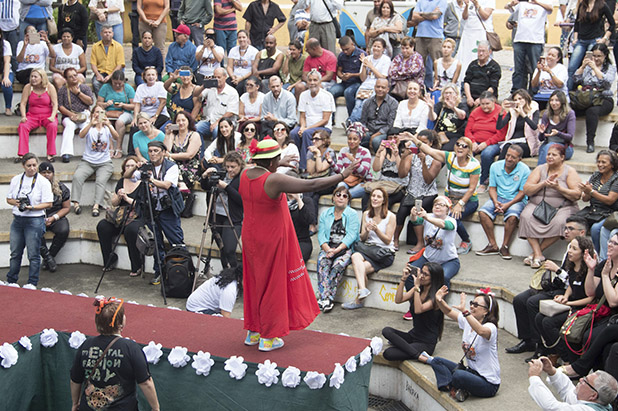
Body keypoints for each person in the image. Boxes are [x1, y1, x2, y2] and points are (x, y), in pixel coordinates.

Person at [239, 138, 357, 351]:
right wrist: (341, 175)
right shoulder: (274, 181)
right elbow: (311, 184)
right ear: (272, 162)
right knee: (272, 285)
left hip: (250, 236)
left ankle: (254, 332)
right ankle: (269, 337)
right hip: (270, 239)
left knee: (255, 282)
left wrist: (278, 162)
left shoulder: (244, 174)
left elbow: (259, 168)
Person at [506, 216, 588, 356]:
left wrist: (557, 270)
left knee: (532, 303)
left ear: (582, 233)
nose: (566, 231)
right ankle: (528, 340)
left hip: (570, 292)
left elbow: (576, 282)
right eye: (565, 228)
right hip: (560, 287)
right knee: (520, 299)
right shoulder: (569, 247)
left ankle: (542, 345)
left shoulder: (586, 252)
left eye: (571, 228)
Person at [70, 298, 160, 411]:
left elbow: (75, 379)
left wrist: (75, 402)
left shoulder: (86, 345)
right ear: (119, 324)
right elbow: (146, 383)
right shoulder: (131, 348)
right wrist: (155, 407)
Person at [424, 288, 501, 402]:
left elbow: (481, 331)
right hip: (471, 372)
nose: (472, 307)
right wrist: (439, 300)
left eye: (476, 305)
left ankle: (456, 386)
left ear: (486, 311)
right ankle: (453, 387)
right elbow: (449, 312)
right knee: (436, 361)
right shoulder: (467, 321)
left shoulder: (491, 327)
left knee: (458, 375)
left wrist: (465, 312)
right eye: (471, 303)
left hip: (488, 384)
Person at [409, 133, 479, 255]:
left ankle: (466, 240)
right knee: (434, 211)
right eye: (458, 144)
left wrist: (460, 204)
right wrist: (412, 138)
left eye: (464, 146)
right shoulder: (450, 156)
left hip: (468, 199)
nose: (460, 148)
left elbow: (471, 189)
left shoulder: (474, 164)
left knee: (452, 216)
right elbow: (429, 150)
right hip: (449, 197)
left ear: (469, 150)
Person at [533, 236, 596, 362]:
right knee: (539, 318)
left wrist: (570, 302)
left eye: (574, 249)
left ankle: (566, 358)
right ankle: (556, 352)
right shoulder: (572, 266)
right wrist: (565, 296)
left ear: (584, 252)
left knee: (549, 322)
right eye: (570, 248)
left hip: (583, 309)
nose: (570, 251)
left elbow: (591, 298)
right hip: (571, 305)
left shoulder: (589, 270)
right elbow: (572, 285)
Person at [519, 144, 581, 268]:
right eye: (548, 154)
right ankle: (538, 254)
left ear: (562, 157)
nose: (550, 157)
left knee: (561, 222)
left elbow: (577, 195)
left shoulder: (569, 171)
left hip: (563, 207)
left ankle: (535, 254)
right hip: (538, 204)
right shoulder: (540, 169)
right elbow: (527, 189)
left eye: (554, 154)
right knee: (525, 216)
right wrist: (543, 184)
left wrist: (559, 188)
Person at [343, 187, 396, 310]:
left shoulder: (391, 216)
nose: (375, 199)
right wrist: (366, 230)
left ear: (384, 201)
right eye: (373, 196)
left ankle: (358, 300)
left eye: (378, 197)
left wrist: (376, 229)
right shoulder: (366, 214)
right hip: (369, 250)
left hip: (384, 253)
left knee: (360, 269)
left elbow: (388, 240)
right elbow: (362, 238)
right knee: (355, 256)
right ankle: (362, 290)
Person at [140, 140, 185, 285]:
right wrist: (136, 166)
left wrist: (150, 179)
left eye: (156, 151)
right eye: (150, 151)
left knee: (176, 241)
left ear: (163, 152)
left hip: (168, 208)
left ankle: (180, 271)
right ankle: (159, 272)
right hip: (152, 208)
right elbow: (129, 175)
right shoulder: (146, 166)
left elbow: (166, 184)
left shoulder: (171, 166)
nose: (153, 154)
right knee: (156, 242)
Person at [5, 153, 52, 287]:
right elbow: (8, 199)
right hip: (18, 220)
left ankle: (32, 283)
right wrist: (17, 203)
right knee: (15, 253)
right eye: (29, 165)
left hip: (35, 220)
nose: (32, 168)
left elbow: (48, 203)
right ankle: (11, 280)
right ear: (23, 166)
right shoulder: (16, 179)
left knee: (33, 254)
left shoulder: (43, 181)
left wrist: (32, 207)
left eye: (34, 165)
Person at [475, 145, 530, 259]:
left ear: (519, 159)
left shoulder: (524, 169)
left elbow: (522, 192)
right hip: (498, 197)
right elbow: (492, 188)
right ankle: (492, 245)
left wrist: (508, 205)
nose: (509, 159)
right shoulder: (495, 166)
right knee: (483, 213)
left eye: (513, 157)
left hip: (516, 200)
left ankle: (504, 246)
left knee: (513, 217)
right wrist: (495, 202)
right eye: (508, 155)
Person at [382, 262, 445, 361]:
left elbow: (418, 310)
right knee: (387, 331)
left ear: (434, 278)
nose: (421, 276)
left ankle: (419, 356)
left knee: (389, 353)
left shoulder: (436, 297)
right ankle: (409, 348)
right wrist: (403, 279)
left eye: (426, 274)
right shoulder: (419, 288)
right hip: (413, 336)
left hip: (426, 343)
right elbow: (398, 300)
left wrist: (416, 287)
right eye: (421, 273)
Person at [96, 156, 144, 277]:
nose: (129, 168)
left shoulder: (143, 183)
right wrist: (118, 196)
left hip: (137, 215)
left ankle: (136, 265)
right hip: (121, 215)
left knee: (130, 230)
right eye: (127, 166)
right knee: (102, 226)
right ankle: (109, 260)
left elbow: (143, 204)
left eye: (132, 166)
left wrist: (127, 198)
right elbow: (114, 203)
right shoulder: (121, 181)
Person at [395, 129, 441, 254]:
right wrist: (404, 156)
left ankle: (420, 243)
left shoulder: (436, 158)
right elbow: (402, 174)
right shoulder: (412, 155)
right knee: (401, 212)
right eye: (418, 141)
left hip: (427, 193)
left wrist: (423, 162)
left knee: (415, 211)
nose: (420, 144)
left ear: (430, 143)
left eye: (424, 142)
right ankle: (395, 240)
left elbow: (428, 180)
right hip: (411, 191)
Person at [316, 185, 360, 312]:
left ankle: (327, 298)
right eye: (338, 195)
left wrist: (336, 250)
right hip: (328, 247)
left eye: (344, 196)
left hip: (344, 249)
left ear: (348, 200)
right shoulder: (326, 213)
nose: (341, 198)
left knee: (338, 266)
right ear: (333, 198)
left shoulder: (352, 214)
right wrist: (327, 248)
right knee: (323, 262)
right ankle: (326, 299)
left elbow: (352, 235)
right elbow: (321, 235)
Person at [201, 151, 244, 268]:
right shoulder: (221, 174)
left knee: (229, 249)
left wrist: (226, 187)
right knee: (222, 249)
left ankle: (236, 275)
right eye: (228, 166)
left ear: (240, 166)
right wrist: (205, 176)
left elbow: (241, 200)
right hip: (216, 216)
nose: (230, 170)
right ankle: (226, 274)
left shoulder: (243, 179)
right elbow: (206, 187)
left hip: (232, 218)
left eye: (233, 167)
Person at [72, 106, 116, 218]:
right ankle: (76, 204)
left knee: (100, 181)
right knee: (78, 176)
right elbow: (81, 135)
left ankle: (96, 205)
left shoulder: (107, 128)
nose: (99, 114)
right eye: (96, 112)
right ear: (92, 114)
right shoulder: (89, 127)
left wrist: (109, 124)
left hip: (104, 163)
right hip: (87, 161)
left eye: (101, 112)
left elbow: (116, 136)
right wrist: (91, 123)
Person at [572, 43, 616, 153]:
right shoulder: (587, 67)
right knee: (569, 109)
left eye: (599, 56)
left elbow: (606, 82)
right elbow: (575, 79)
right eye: (594, 56)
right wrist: (582, 67)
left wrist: (595, 68)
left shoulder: (610, 68)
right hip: (586, 98)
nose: (596, 58)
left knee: (592, 111)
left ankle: (590, 142)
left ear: (605, 56)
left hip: (603, 98)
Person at [528, 358, 618, 411]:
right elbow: (567, 390)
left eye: (585, 381)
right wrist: (552, 371)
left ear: (593, 395)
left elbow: (552, 406)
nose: (581, 379)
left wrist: (534, 377)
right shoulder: (593, 402)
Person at [290, 69, 335, 171]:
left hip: (323, 128)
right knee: (294, 133)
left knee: (307, 134)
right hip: (306, 126)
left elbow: (325, 120)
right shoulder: (303, 95)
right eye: (310, 80)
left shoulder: (326, 96)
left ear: (319, 82)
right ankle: (294, 163)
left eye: (315, 80)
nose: (312, 83)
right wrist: (302, 127)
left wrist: (307, 128)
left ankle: (304, 167)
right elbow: (302, 115)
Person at [566, 0, 615, 90]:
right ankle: (568, 93)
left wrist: (604, 38)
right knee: (572, 67)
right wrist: (575, 38)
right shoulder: (582, 5)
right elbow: (577, 23)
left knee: (591, 64)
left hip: (595, 39)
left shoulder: (602, 5)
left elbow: (612, 24)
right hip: (581, 40)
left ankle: (592, 89)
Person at [578, 150, 618, 253]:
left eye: (604, 162)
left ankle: (599, 256)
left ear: (612, 164)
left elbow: (610, 200)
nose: (600, 165)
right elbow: (585, 199)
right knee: (574, 222)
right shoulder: (596, 175)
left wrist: (591, 192)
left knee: (596, 229)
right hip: (594, 210)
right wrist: (586, 191)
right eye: (598, 162)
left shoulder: (616, 178)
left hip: (609, 212)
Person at [509, 0, 552, 91]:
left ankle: (534, 91)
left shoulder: (544, 2)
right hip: (519, 39)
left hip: (535, 40)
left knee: (535, 68)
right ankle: (516, 91)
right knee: (519, 69)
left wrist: (536, 2)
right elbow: (509, 8)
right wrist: (511, 4)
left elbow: (550, 8)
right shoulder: (522, 3)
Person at [17, 69, 58, 163]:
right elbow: (23, 104)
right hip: (32, 115)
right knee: (23, 126)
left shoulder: (50, 87)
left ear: (42, 78)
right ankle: (22, 154)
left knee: (52, 125)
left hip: (47, 115)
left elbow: (55, 104)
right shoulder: (28, 87)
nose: (33, 79)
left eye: (35, 77)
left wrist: (52, 116)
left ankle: (50, 154)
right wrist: (23, 116)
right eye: (32, 76)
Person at [362, 128, 408, 210]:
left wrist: (397, 155)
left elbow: (402, 174)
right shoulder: (385, 151)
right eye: (390, 138)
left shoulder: (405, 152)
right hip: (383, 183)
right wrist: (378, 152)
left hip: (398, 186)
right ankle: (366, 221)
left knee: (386, 201)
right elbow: (376, 169)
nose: (392, 140)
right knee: (366, 198)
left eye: (395, 138)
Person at [468, 91, 507, 189]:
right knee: (464, 151)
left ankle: (484, 181)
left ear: (493, 101)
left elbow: (501, 134)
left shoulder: (501, 112)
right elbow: (468, 130)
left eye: (487, 104)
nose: (485, 107)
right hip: (475, 141)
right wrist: (472, 142)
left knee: (487, 153)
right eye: (482, 104)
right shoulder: (475, 112)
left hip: (494, 142)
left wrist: (486, 143)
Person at [57, 68, 95, 164]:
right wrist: (71, 114)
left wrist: (78, 93)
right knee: (69, 127)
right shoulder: (62, 90)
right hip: (69, 116)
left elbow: (90, 101)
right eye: (70, 76)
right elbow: (60, 106)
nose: (74, 78)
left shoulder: (84, 88)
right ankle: (66, 153)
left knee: (88, 129)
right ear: (66, 79)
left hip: (84, 115)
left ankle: (92, 152)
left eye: (75, 75)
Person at [348, 38, 391, 123]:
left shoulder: (386, 59)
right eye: (374, 46)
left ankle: (351, 122)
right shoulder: (367, 58)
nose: (376, 48)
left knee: (364, 104)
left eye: (378, 47)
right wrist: (364, 65)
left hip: (377, 86)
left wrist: (371, 67)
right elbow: (363, 79)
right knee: (358, 104)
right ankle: (352, 122)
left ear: (383, 49)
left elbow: (382, 78)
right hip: (365, 86)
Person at [38, 161, 70, 273]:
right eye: (43, 172)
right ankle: (48, 258)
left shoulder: (61, 188)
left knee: (63, 230)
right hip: (37, 216)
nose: (47, 175)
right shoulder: (33, 188)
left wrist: (54, 218)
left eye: (49, 172)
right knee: (34, 230)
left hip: (55, 215)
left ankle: (49, 257)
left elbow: (66, 208)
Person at [407, 0, 447, 88]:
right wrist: (430, 14)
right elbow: (413, 17)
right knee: (418, 65)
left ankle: (440, 88)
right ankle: (419, 89)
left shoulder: (442, 1)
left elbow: (435, 16)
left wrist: (421, 14)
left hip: (435, 37)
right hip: (420, 36)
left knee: (439, 65)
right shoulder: (421, 1)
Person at [97, 70, 136, 159]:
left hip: (125, 112)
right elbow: (99, 103)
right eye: (115, 83)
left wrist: (123, 105)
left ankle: (119, 148)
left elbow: (134, 105)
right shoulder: (106, 87)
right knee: (104, 121)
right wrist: (106, 104)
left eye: (120, 83)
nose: (117, 85)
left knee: (120, 122)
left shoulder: (128, 88)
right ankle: (110, 147)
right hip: (109, 112)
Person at [195, 67, 240, 144]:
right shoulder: (210, 88)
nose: (217, 79)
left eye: (219, 77)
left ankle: (218, 154)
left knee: (217, 131)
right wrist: (204, 86)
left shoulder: (232, 92)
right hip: (209, 121)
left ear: (225, 77)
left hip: (225, 123)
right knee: (196, 129)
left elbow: (230, 112)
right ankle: (200, 154)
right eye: (215, 77)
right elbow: (196, 95)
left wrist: (217, 123)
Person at [495, 88, 541, 161]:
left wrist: (522, 114)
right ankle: (499, 169)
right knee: (507, 147)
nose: (518, 101)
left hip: (527, 143)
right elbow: (499, 126)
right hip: (513, 141)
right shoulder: (512, 111)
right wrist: (501, 111)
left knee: (512, 149)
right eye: (515, 100)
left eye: (520, 99)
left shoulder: (533, 110)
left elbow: (534, 126)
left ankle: (499, 170)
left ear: (526, 99)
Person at [454, 0, 495, 75]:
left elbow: (485, 16)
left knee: (479, 54)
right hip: (468, 32)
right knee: (465, 57)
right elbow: (464, 17)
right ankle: (464, 77)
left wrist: (477, 5)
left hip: (480, 31)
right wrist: (466, 5)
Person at [329, 36, 365, 116]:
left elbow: (364, 73)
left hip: (357, 82)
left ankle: (351, 118)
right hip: (344, 82)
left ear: (352, 44)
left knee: (348, 92)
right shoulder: (342, 56)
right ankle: (331, 118)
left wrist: (352, 75)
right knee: (331, 92)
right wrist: (341, 76)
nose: (345, 51)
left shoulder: (361, 54)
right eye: (343, 49)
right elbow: (339, 70)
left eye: (347, 49)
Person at [334, 125, 372, 199]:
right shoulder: (343, 150)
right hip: (348, 180)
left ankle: (344, 210)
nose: (352, 141)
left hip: (364, 182)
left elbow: (364, 173)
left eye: (355, 139)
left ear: (360, 140)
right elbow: (338, 170)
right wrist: (331, 162)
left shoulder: (365, 152)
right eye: (349, 139)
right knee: (340, 188)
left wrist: (354, 161)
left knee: (344, 195)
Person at [537, 90, 575, 165]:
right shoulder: (546, 114)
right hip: (548, 144)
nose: (553, 103)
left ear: (562, 102)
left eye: (557, 100)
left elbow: (570, 137)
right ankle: (542, 173)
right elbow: (541, 139)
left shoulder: (570, 114)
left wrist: (558, 133)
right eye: (551, 100)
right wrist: (542, 132)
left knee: (549, 148)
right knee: (547, 148)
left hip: (564, 147)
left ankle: (539, 174)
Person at [361, 78, 399, 153]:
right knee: (360, 137)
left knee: (376, 141)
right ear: (374, 88)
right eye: (378, 87)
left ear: (388, 89)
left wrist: (374, 135)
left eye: (383, 87)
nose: (380, 89)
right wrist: (364, 131)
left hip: (383, 132)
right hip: (369, 130)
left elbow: (390, 125)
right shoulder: (367, 102)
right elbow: (363, 121)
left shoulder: (393, 103)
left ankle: (379, 159)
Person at [132, 66, 170, 135]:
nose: (151, 77)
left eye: (153, 75)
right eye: (148, 75)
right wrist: (135, 118)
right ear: (145, 77)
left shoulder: (160, 85)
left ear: (156, 76)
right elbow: (137, 104)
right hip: (144, 115)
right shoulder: (140, 87)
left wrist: (155, 116)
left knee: (150, 127)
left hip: (160, 115)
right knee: (134, 127)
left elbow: (163, 102)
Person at [429, 83, 468, 151]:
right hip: (439, 135)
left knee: (445, 149)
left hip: (455, 135)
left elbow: (462, 116)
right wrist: (430, 109)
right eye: (446, 93)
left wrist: (453, 108)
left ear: (456, 94)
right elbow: (432, 118)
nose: (448, 95)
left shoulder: (461, 105)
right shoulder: (440, 105)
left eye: (450, 93)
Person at [462, 41, 501, 107]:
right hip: (471, 96)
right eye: (479, 51)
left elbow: (493, 87)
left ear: (489, 52)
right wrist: (469, 97)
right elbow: (466, 82)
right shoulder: (472, 64)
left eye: (483, 51)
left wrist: (481, 99)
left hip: (487, 97)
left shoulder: (495, 67)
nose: (481, 53)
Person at [90, 25, 125, 95]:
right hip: (101, 72)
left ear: (113, 34)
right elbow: (93, 63)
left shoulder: (118, 46)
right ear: (101, 34)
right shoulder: (95, 46)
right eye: (105, 32)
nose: (107, 34)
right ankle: (101, 102)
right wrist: (97, 74)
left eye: (109, 32)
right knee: (96, 83)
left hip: (114, 72)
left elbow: (120, 64)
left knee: (117, 83)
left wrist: (110, 76)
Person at [226, 30, 259, 95]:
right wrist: (233, 76)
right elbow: (229, 66)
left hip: (246, 77)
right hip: (234, 77)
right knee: (227, 85)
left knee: (240, 87)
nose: (241, 39)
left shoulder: (253, 51)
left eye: (244, 37)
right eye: (239, 37)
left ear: (247, 38)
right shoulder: (233, 50)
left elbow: (253, 70)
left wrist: (241, 78)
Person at [0, 31, 14, 117]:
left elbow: (6, 62)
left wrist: (5, 77)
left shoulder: (5, 44)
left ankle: (8, 107)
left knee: (6, 85)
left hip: (6, 70)